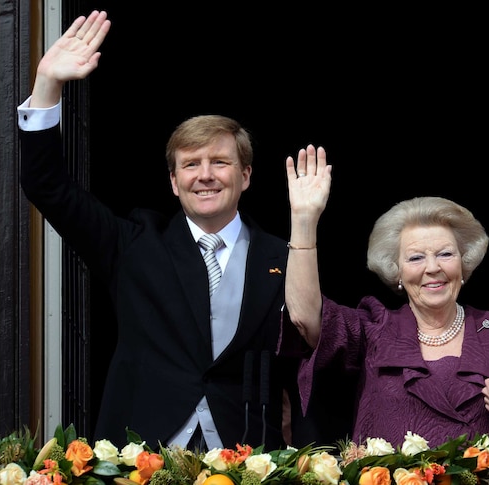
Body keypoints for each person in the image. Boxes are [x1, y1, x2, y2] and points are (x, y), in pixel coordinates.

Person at [17, 11, 313, 451]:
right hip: (143, 455)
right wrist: (47, 85)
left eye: (220, 162)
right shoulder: (134, 244)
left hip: (249, 457)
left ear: (246, 175)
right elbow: (48, 187)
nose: (205, 175)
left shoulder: (284, 256)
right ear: (174, 182)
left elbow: (309, 347)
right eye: (191, 165)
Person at [281, 146, 489, 447]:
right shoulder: (376, 329)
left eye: (445, 254)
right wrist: (304, 220)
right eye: (415, 259)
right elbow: (305, 319)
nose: (432, 268)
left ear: (464, 264)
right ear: (396, 272)